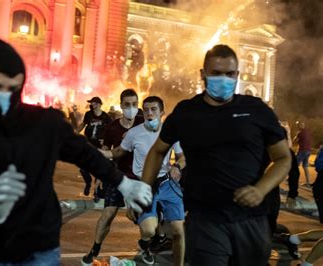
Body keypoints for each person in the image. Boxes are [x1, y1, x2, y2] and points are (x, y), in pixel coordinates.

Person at [0, 39, 152, 265]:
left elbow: (84, 153)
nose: (5, 96)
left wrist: (123, 183)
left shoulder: (43, 124)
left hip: (40, 249)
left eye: (13, 87)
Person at [141, 44, 291, 265]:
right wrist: (143, 193)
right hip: (205, 220)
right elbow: (157, 151)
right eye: (216, 73)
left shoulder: (257, 110)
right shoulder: (186, 112)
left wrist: (261, 189)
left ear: (238, 75)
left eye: (230, 74)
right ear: (203, 74)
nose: (224, 79)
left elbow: (283, 158)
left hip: (251, 220)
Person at [99, 96, 185, 265]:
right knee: (149, 231)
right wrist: (98, 154)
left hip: (167, 184)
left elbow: (182, 157)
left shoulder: (170, 132)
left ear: (162, 112)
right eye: (145, 110)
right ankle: (145, 243)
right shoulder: (134, 133)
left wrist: (177, 167)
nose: (149, 113)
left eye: (153, 109)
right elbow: (117, 153)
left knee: (178, 230)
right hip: (145, 184)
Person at [82, 89, 144, 265]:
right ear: (121, 105)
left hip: (138, 179)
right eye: (127, 104)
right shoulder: (112, 128)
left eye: (134, 104)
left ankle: (146, 247)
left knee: (140, 218)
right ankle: (94, 249)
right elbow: (105, 153)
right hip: (117, 177)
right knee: (107, 214)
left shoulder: (143, 124)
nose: (131, 108)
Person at [77, 97, 112, 196]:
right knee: (83, 168)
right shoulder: (88, 114)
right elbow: (83, 124)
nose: (92, 105)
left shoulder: (106, 117)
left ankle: (97, 191)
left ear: (99, 104)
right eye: (91, 103)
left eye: (94, 103)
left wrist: (106, 140)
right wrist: (75, 132)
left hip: (100, 147)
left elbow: (111, 129)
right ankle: (88, 183)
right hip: (88, 144)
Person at [293, 122, 313, 187]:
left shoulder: (300, 133)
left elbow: (294, 141)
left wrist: (296, 136)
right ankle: (308, 183)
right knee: (305, 167)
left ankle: (293, 180)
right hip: (308, 151)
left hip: (302, 151)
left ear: (300, 126)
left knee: (295, 165)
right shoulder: (308, 132)